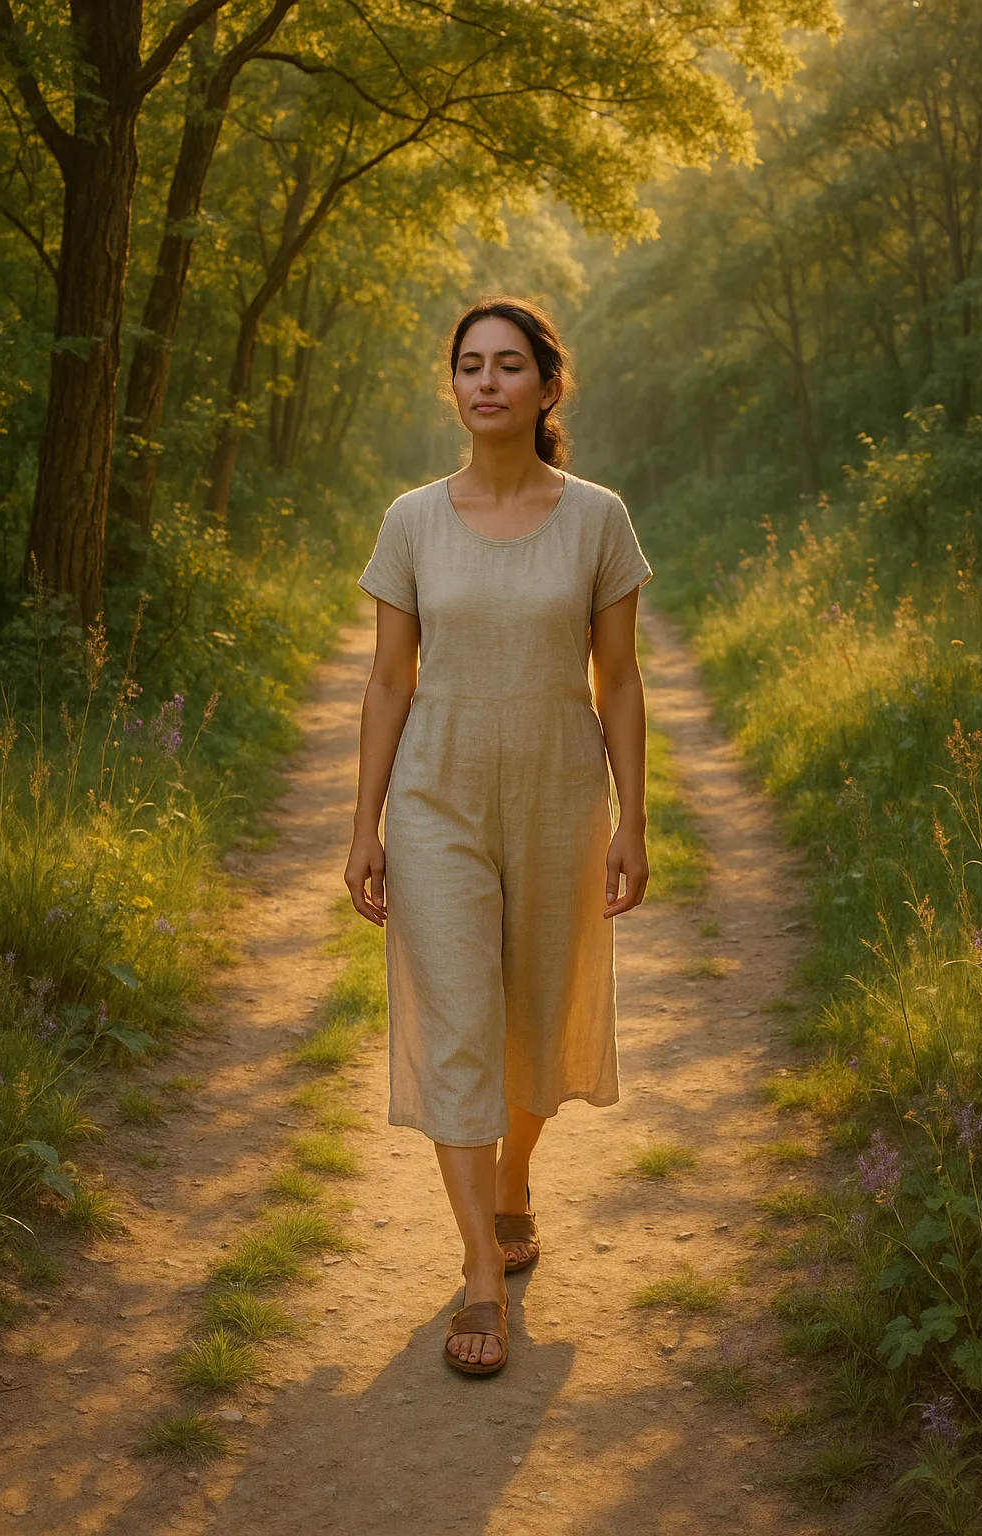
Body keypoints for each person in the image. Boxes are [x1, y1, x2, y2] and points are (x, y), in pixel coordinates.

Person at [345, 296, 653, 1376]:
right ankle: (482, 1274)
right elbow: (389, 681)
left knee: (532, 1021)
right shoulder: (412, 520)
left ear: (545, 387)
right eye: (468, 365)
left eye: (507, 365)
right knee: (462, 1027)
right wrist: (365, 825)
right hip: (436, 806)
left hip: (560, 800)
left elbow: (617, 680)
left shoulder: (597, 518)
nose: (485, 381)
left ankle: (517, 1179)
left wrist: (632, 819)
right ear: (455, 387)